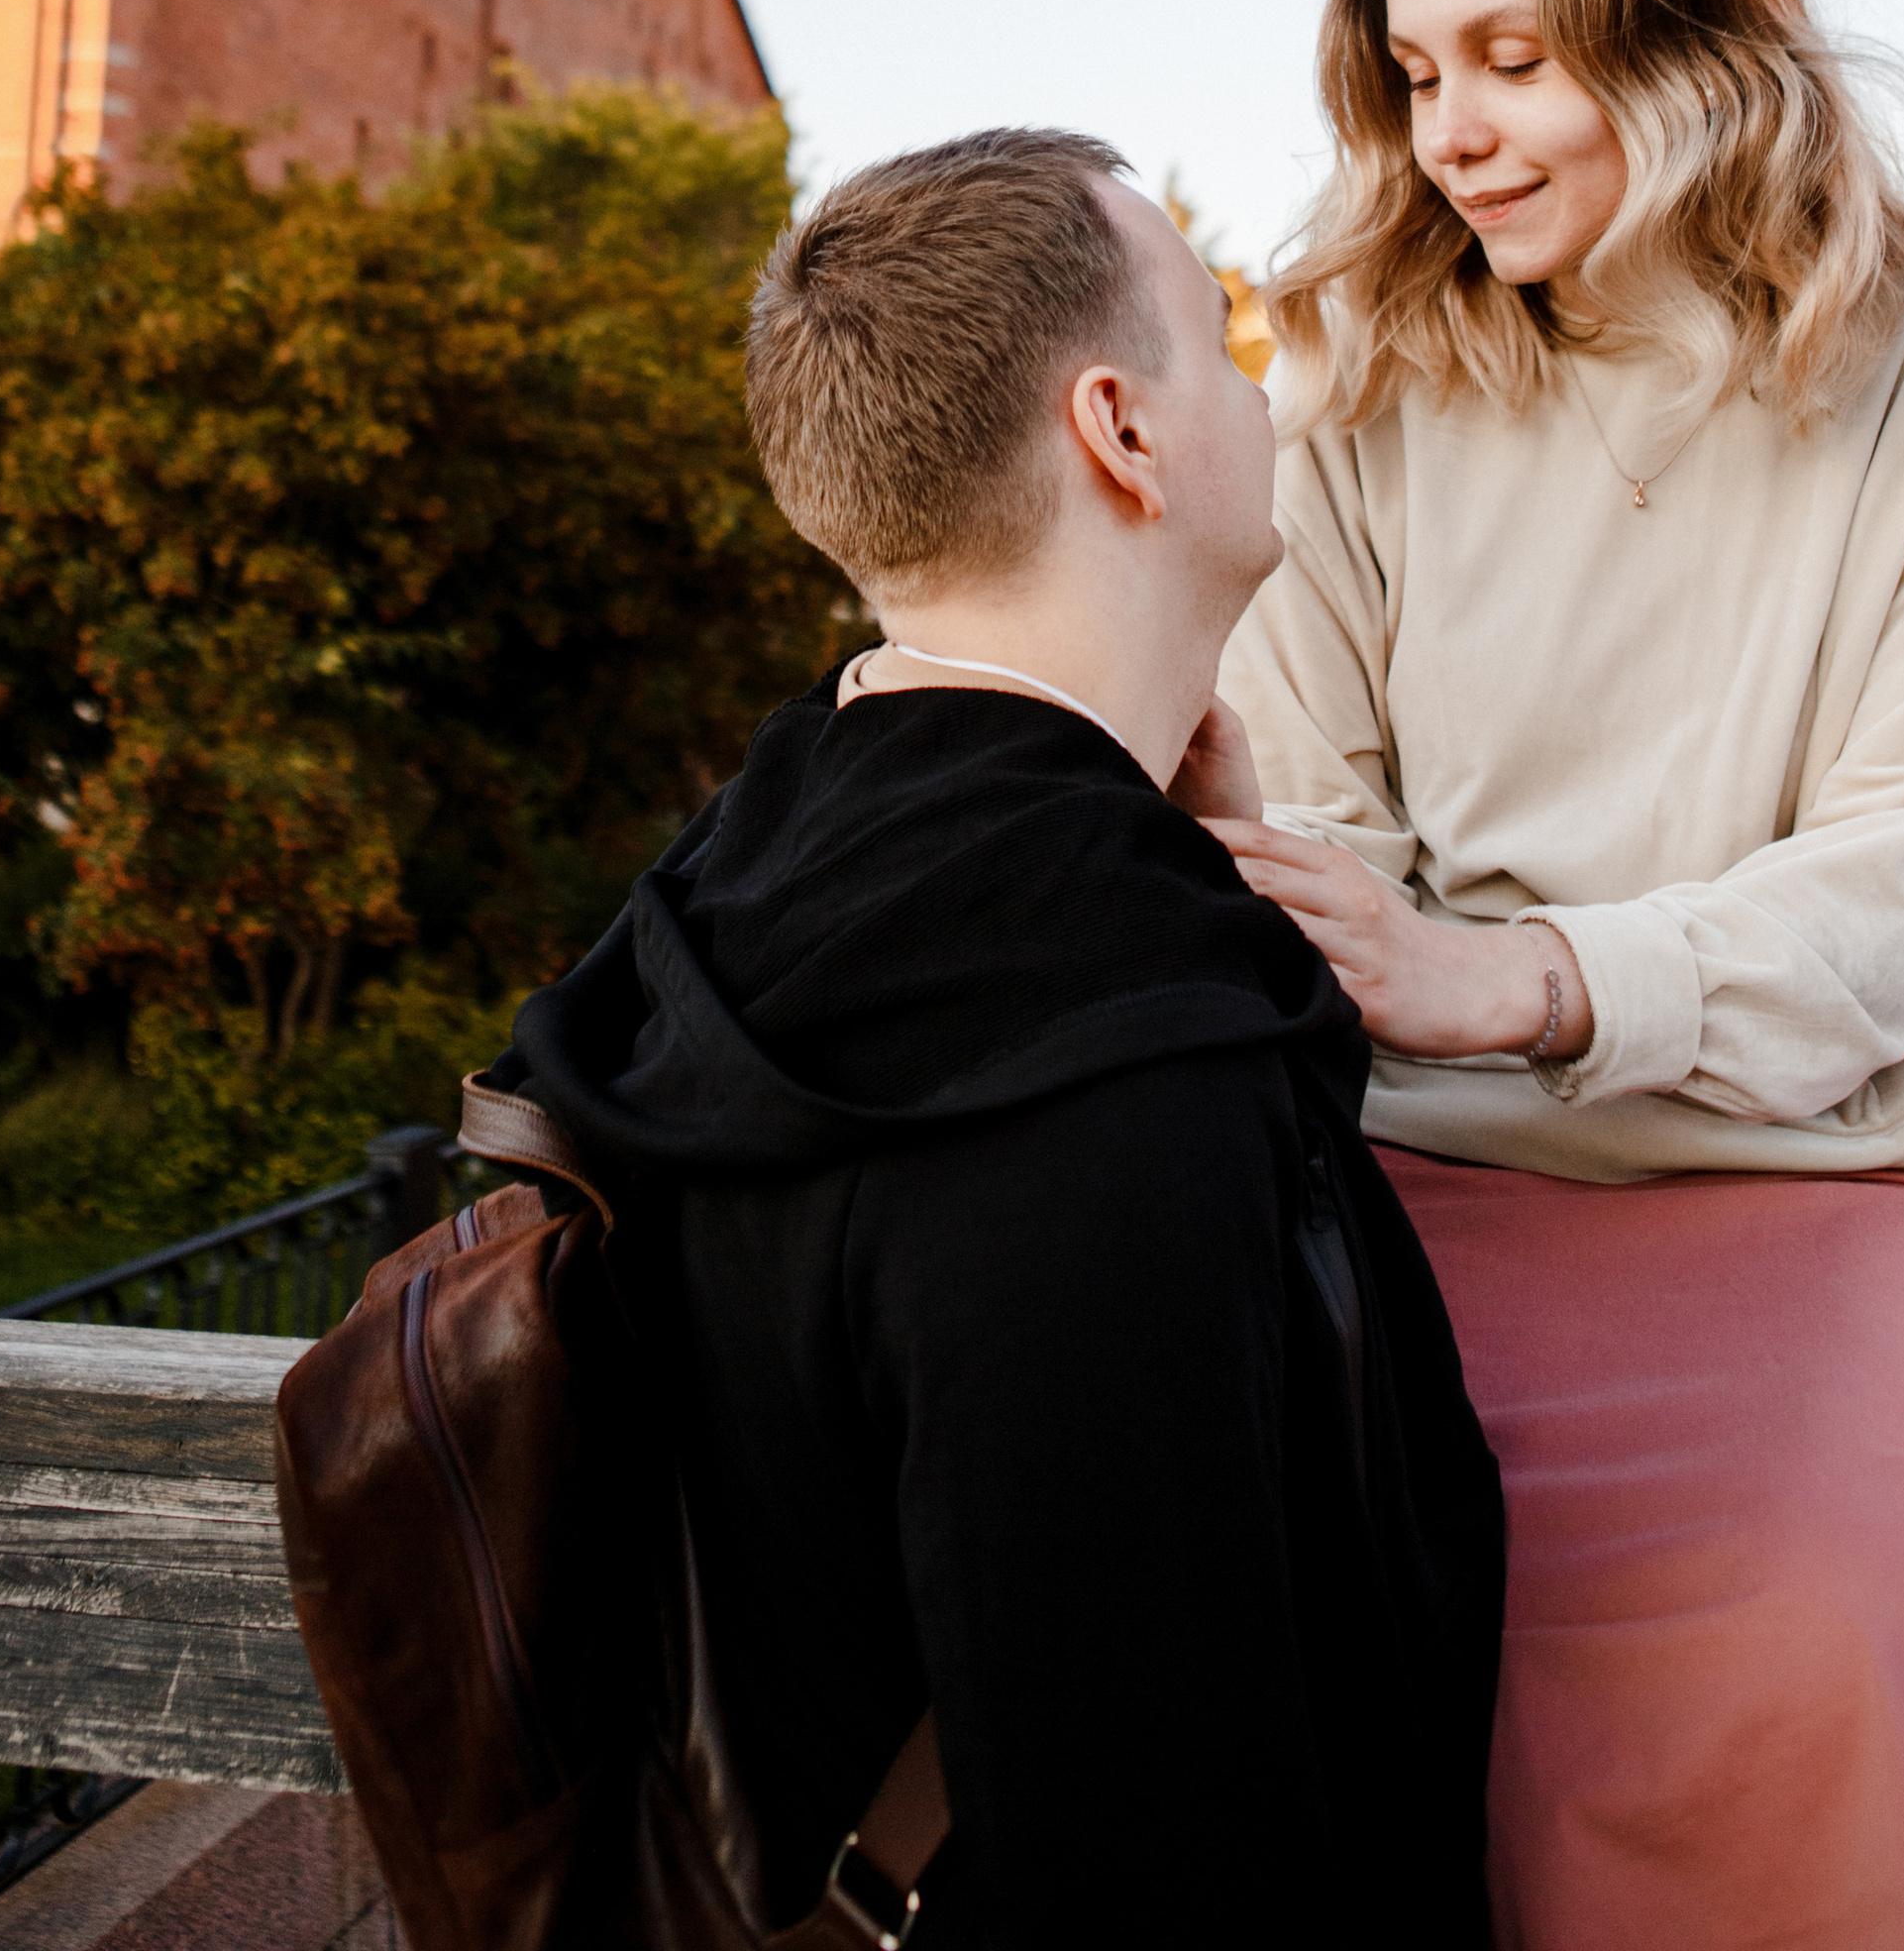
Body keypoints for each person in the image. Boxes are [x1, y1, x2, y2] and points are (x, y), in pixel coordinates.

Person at [1196, 0, 1904, 1951]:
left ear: (1693, 42)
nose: (1454, 134)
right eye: (1417, 77)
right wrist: (1390, 973)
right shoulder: (1347, 382)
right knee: (1259, 1586)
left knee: (1834, 1616)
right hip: (1427, 1189)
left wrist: (1522, 983)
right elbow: (1306, 834)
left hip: (1852, 1180)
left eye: (1514, 59)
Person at [504, 127, 1505, 1951]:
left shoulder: (722, 897)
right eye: (1218, 339)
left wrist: (1184, 863)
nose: (1261, 387)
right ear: (1122, 431)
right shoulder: (1123, 1050)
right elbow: (1166, 1809)